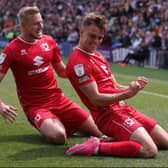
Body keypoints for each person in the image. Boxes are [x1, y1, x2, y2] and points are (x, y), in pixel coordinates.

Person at [66, 12, 168, 157]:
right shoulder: (78, 62)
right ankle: (97, 147)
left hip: (123, 109)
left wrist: (133, 87)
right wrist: (127, 94)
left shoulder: (98, 55)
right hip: (108, 116)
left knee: (165, 141)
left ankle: (113, 140)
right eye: (92, 36)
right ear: (81, 32)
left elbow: (114, 86)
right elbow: (95, 99)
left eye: (100, 38)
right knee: (149, 150)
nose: (96, 41)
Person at [0, 6, 104, 145]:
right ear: (23, 25)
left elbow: (61, 71)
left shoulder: (49, 41)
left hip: (58, 100)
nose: (40, 26)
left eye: (41, 22)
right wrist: (1, 106)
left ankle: (63, 123)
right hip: (36, 107)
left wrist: (86, 72)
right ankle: (56, 125)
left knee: (100, 131)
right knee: (59, 137)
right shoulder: (11, 50)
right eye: (36, 24)